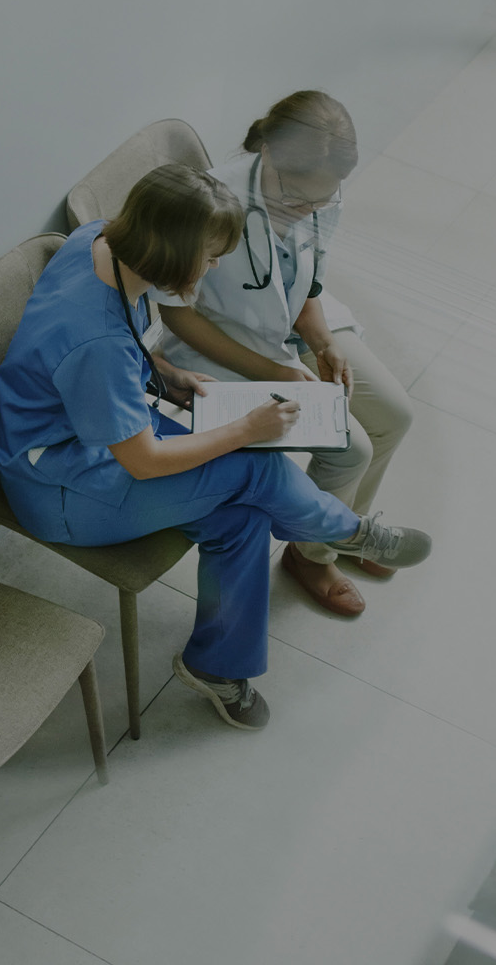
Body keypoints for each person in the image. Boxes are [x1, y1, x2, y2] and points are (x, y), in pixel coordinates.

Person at [0, 164, 431, 730]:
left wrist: (165, 374)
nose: (216, 266)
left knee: (242, 519)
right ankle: (349, 532)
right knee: (255, 471)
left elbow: (118, 346)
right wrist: (245, 430)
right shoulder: (96, 343)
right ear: (174, 253)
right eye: (211, 256)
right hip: (59, 490)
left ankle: (217, 667)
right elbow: (143, 460)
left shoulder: (97, 242)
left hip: (88, 437)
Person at [155, 91, 414, 619]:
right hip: (222, 346)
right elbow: (177, 314)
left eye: (321, 202)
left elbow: (309, 276)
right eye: (296, 199)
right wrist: (278, 373)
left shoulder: (321, 193)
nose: (308, 211)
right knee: (351, 449)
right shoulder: (213, 201)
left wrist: (323, 342)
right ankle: (311, 556)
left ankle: (348, 532)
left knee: (395, 416)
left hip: (295, 326)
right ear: (268, 152)